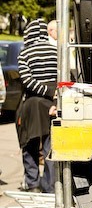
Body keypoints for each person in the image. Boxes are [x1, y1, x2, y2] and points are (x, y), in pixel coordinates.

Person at [16, 18, 58, 193]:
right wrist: (53, 96)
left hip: (32, 104)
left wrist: (44, 91)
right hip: (52, 105)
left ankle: (33, 184)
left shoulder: (24, 54)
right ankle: (50, 186)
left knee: (30, 145)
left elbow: (27, 81)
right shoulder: (56, 51)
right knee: (50, 147)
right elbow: (62, 79)